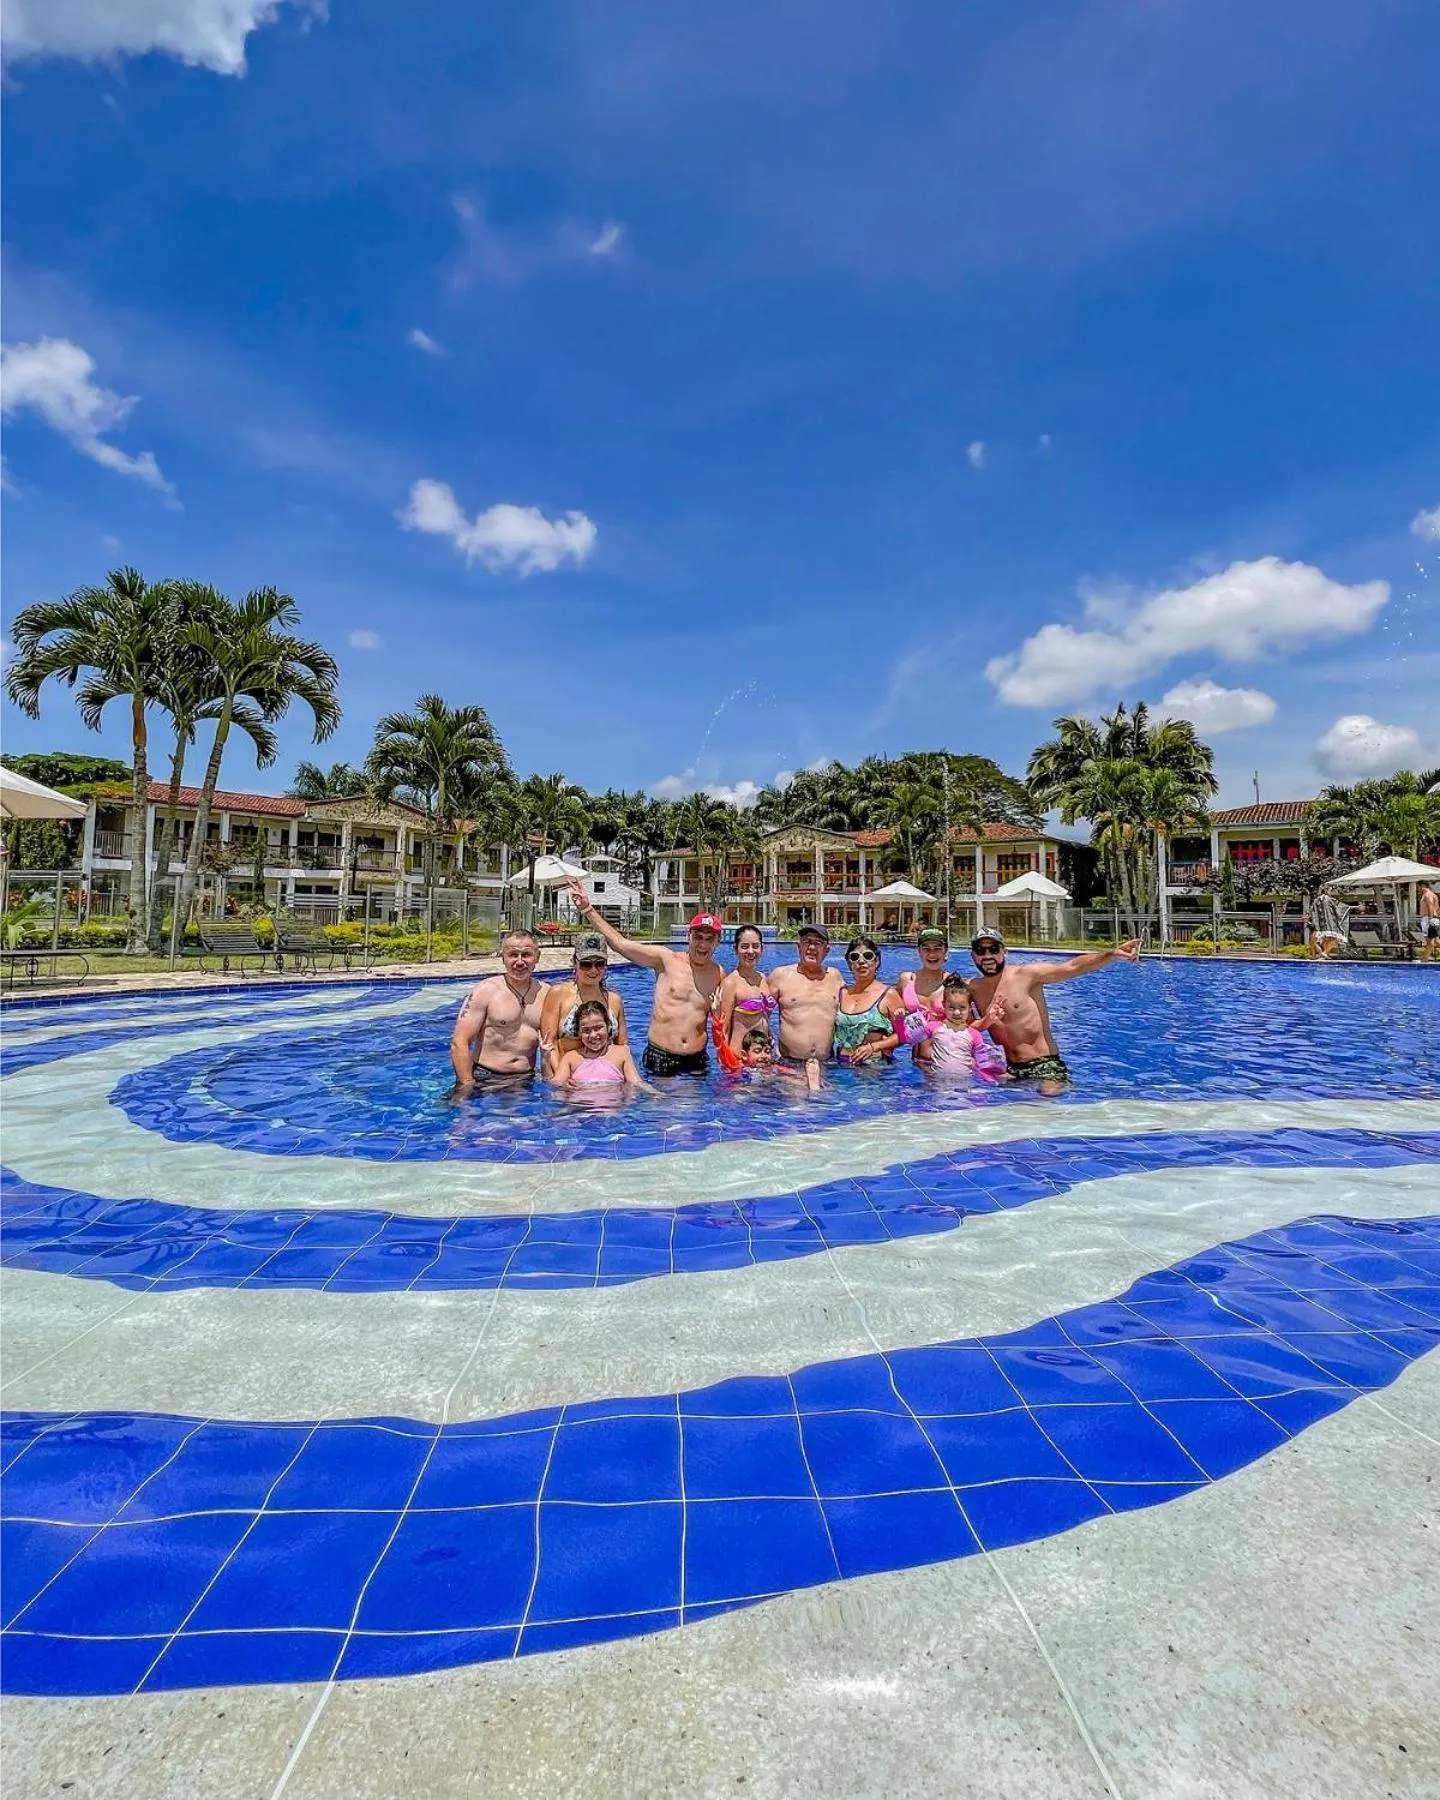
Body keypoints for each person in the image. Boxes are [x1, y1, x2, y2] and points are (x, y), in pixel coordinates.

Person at [564, 877, 724, 1075]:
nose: (703, 944)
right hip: (662, 1055)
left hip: (697, 1058)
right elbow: (620, 944)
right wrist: (587, 909)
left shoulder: (718, 974)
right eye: (698, 937)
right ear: (688, 936)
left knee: (698, 1106)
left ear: (718, 942)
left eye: (710, 939)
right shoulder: (665, 959)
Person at [967, 928, 1139, 1095]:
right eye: (980, 950)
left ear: (1004, 952)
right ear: (973, 956)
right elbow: (952, 1017)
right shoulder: (972, 988)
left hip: (1045, 1065)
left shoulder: (1027, 975)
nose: (987, 955)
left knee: (1048, 1097)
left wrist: (1111, 954)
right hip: (1009, 1068)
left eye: (993, 949)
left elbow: (1072, 967)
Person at [448, 928, 546, 1094]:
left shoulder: (546, 993)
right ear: (503, 958)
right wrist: (466, 1085)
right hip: (485, 1078)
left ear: (537, 957)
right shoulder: (485, 991)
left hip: (526, 1080)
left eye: (527, 955)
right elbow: (460, 1042)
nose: (520, 962)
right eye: (513, 955)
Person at [537, 932, 629, 1076]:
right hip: (567, 1077)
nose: (593, 970)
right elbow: (550, 1043)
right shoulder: (558, 994)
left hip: (607, 1077)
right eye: (586, 964)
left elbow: (622, 1045)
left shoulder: (614, 999)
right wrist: (562, 1079)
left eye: (599, 964)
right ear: (574, 962)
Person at [768, 923, 844, 1082]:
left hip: (827, 1064)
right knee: (798, 1106)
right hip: (790, 1065)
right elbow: (759, 1015)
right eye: (806, 942)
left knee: (829, 1106)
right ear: (798, 946)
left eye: (818, 943)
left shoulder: (835, 977)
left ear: (827, 950)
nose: (811, 947)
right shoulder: (780, 976)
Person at [914, 973, 1007, 1078]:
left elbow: (983, 1065)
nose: (957, 1012)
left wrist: (990, 1082)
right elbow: (908, 1038)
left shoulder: (974, 1034)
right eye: (952, 1008)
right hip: (937, 1081)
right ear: (944, 1005)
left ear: (970, 1008)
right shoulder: (933, 1027)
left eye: (962, 1008)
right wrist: (901, 1019)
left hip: (965, 1084)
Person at [546, 999, 652, 1090]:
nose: (593, 1035)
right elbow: (555, 1085)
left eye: (598, 1028)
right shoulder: (571, 1057)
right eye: (586, 1030)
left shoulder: (622, 1053)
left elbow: (637, 1082)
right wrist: (545, 1060)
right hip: (580, 1109)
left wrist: (654, 1093)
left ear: (608, 1026)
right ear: (579, 1033)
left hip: (612, 1110)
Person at [831, 934, 905, 1064]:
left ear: (876, 962)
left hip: (874, 1070)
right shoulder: (842, 993)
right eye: (855, 957)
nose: (861, 961)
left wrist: (874, 1047)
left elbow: (904, 1035)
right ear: (849, 963)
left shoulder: (889, 995)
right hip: (841, 1067)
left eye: (868, 956)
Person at [716, 923, 776, 1056]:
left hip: (763, 1059)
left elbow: (765, 1019)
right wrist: (727, 1065)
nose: (750, 951)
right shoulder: (731, 983)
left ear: (762, 949)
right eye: (744, 947)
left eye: (755, 946)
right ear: (735, 949)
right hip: (740, 1062)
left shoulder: (763, 979)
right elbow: (722, 1031)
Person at [891, 924, 951, 1044]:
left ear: (946, 952)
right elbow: (893, 1020)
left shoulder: (953, 983)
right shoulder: (906, 980)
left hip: (947, 1055)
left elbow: (968, 1025)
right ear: (919, 951)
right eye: (926, 949)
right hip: (915, 1058)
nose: (932, 954)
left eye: (937, 949)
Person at [739, 1024, 823, 1091]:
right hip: (757, 1086)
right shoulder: (742, 1068)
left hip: (772, 1085)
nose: (763, 1055)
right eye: (757, 1051)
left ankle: (812, 1084)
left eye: (767, 1051)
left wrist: (802, 1076)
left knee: (793, 1083)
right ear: (744, 1055)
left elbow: (790, 1072)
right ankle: (812, 1089)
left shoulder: (773, 1066)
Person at [1420, 882, 1440, 961]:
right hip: (1434, 918)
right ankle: (1425, 957)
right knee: (1436, 940)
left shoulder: (1427, 895)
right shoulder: (1434, 895)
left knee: (1429, 940)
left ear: (1423, 886)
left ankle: (1425, 958)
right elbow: (1437, 909)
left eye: (1419, 887)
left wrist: (1430, 919)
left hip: (1428, 918)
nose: (1419, 889)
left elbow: (1430, 906)